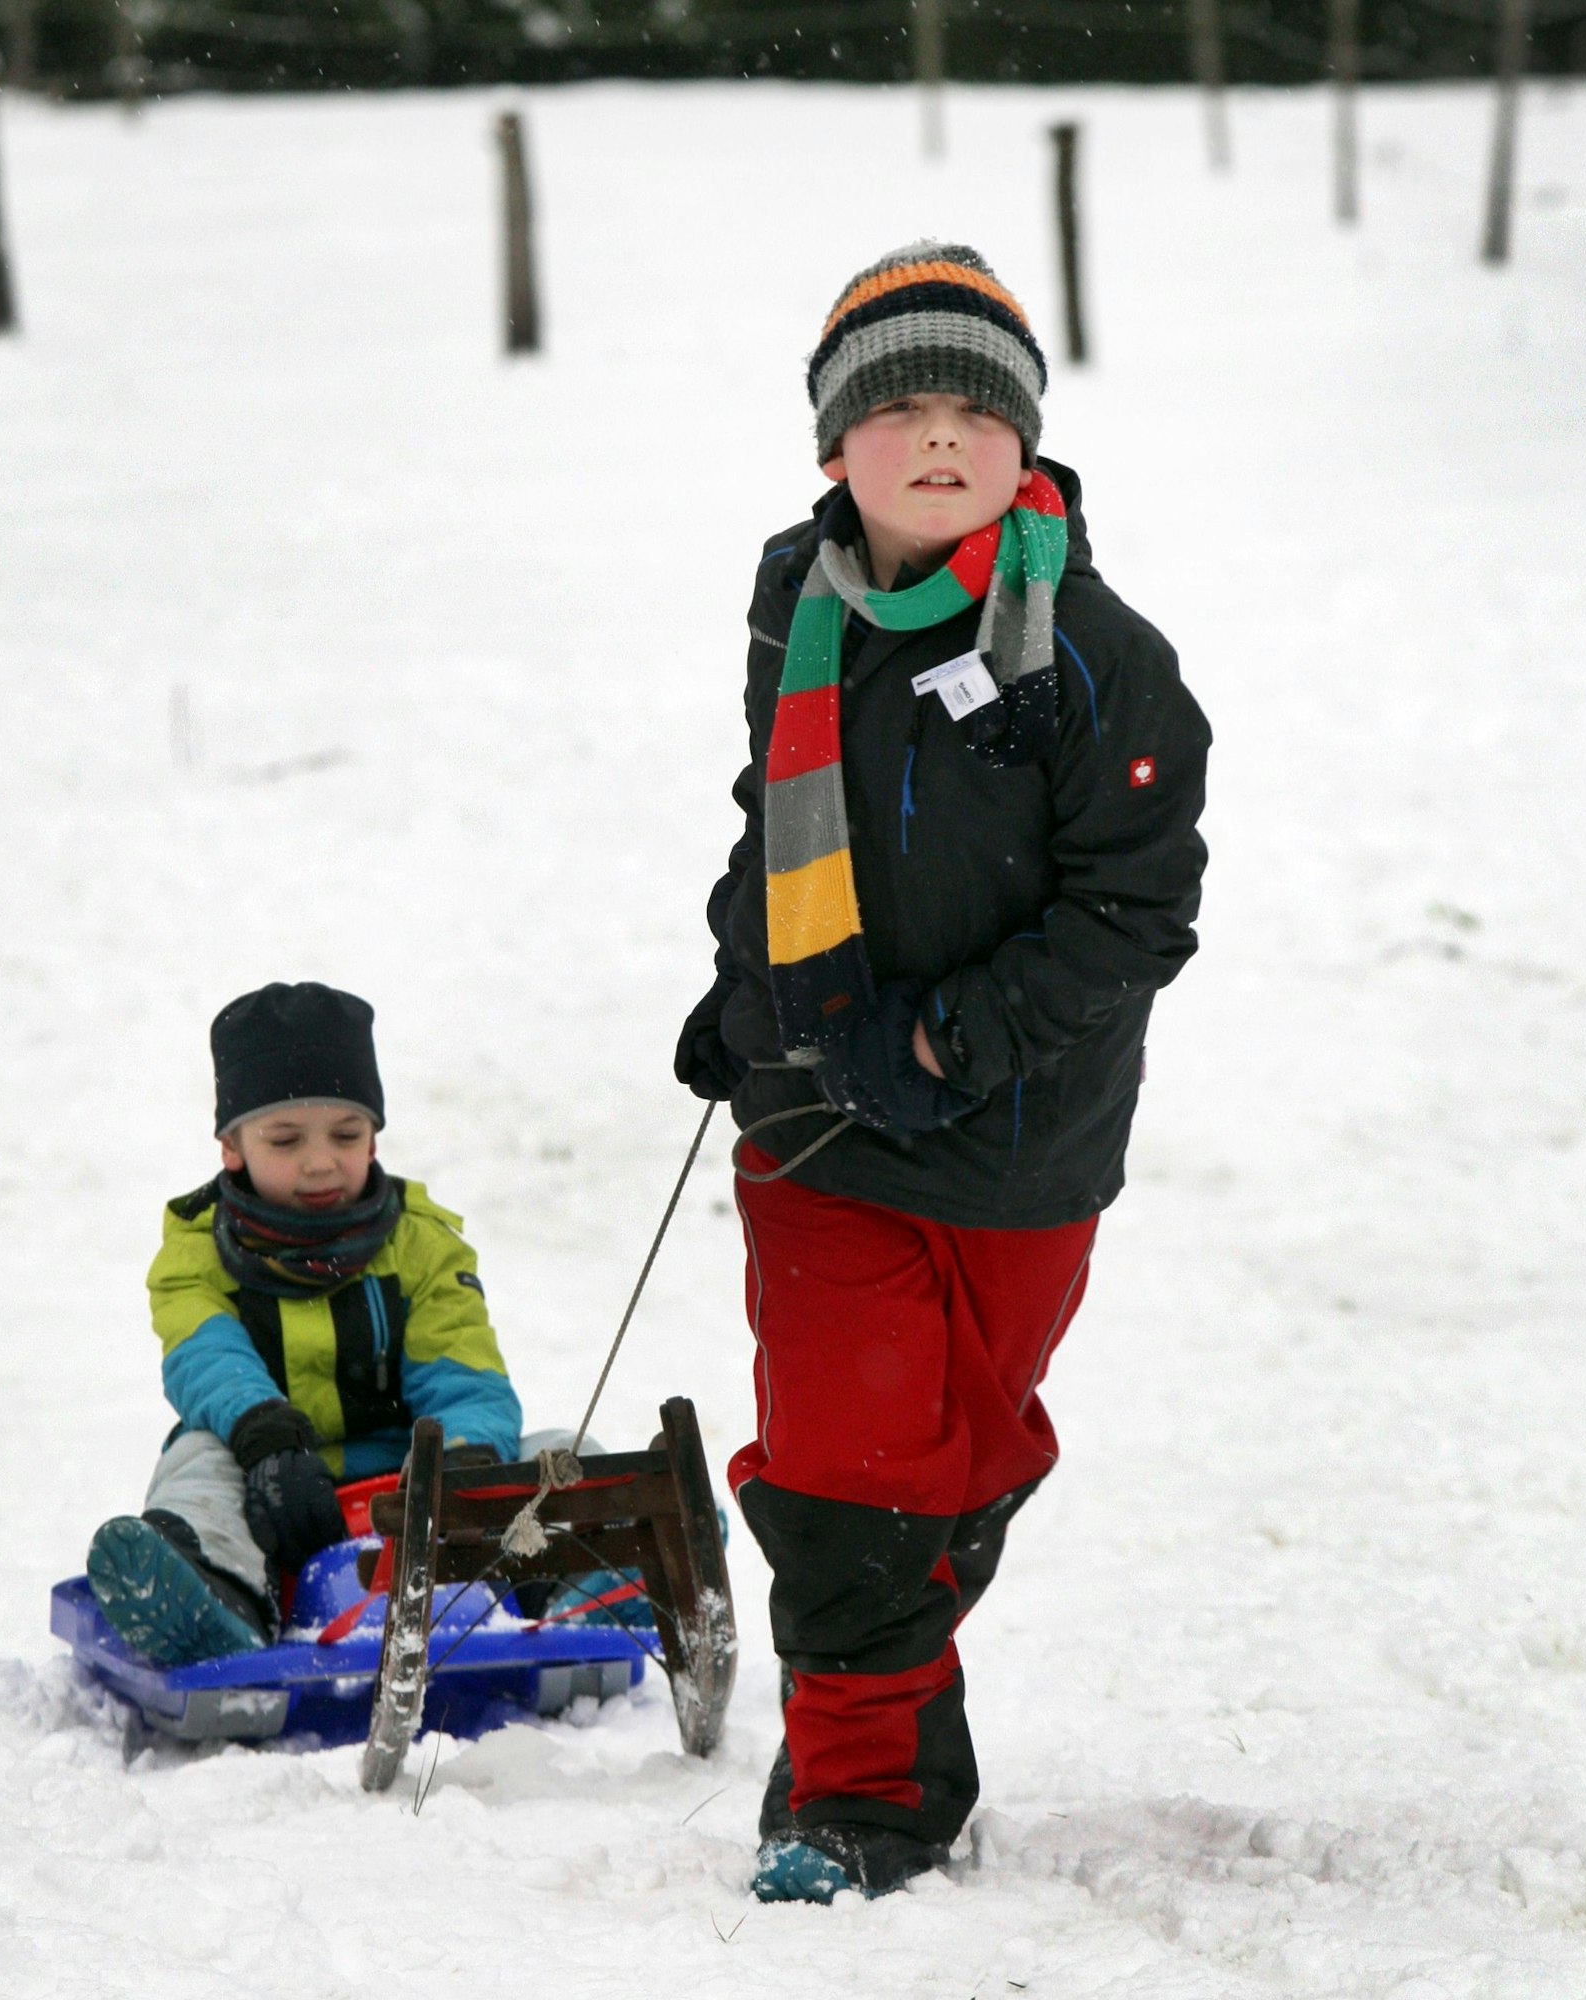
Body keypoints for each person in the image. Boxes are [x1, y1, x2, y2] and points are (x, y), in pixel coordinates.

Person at [674, 243, 1212, 1903]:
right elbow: (779, 820)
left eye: (975, 406)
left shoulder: (1096, 659)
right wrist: (739, 982)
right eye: (894, 404)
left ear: (1025, 442)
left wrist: (948, 1042)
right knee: (846, 1473)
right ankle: (861, 1798)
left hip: (1025, 1139)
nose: (934, 436)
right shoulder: (802, 611)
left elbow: (1134, 909)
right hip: (815, 1112)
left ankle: (876, 1651)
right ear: (832, 445)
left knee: (952, 1462)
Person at [86, 981, 522, 1667]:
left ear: (374, 1134)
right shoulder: (195, 1251)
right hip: (263, 1480)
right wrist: (265, 1435)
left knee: (558, 1454)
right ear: (232, 1147)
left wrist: (461, 1461)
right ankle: (215, 1596)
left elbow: (464, 1366)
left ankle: (610, 1569)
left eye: (346, 1135)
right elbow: (205, 1355)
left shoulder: (423, 1242)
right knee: (194, 1464)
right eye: (286, 1139)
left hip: (409, 1488)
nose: (321, 1161)